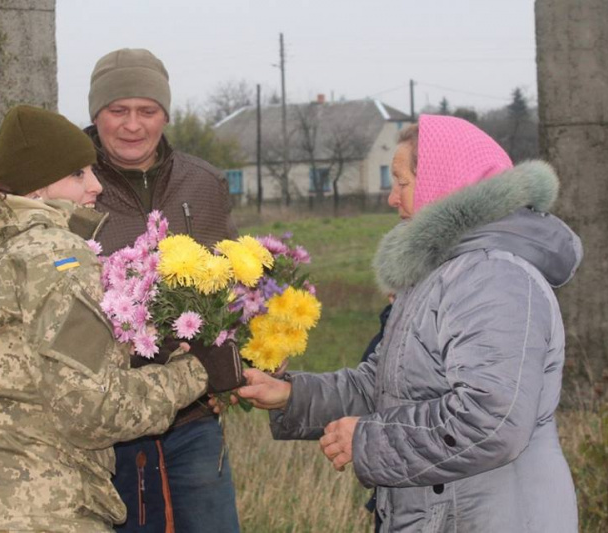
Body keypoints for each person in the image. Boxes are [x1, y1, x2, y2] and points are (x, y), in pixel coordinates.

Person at [238, 115, 582, 532]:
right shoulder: (440, 274)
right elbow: (382, 388)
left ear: (444, 182)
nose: (391, 197)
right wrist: (291, 396)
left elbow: (491, 420)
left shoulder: (493, 277)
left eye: (401, 182)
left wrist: (368, 440)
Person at [0, 105, 214, 532]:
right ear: (38, 186)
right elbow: (92, 411)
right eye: (77, 174)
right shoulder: (56, 256)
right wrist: (196, 372)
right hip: (34, 511)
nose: (95, 185)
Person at [85, 48, 240, 533]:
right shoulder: (72, 185)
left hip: (191, 420)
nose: (133, 125)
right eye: (118, 110)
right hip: (103, 425)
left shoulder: (204, 183)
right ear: (96, 114)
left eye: (147, 110)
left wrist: (233, 370)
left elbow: (232, 287)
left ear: (165, 116)